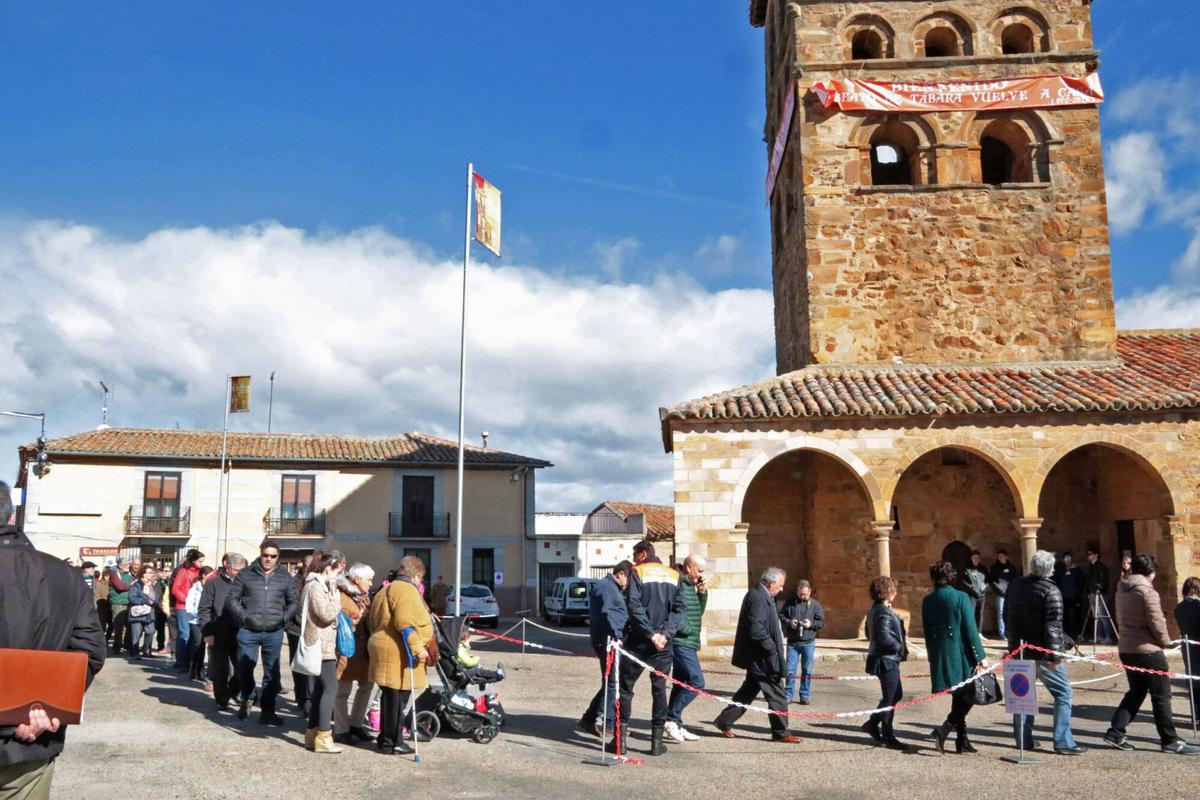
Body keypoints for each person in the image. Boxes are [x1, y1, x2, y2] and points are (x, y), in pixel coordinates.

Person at [0, 482, 106, 798]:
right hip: (30, 744)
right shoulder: (66, 576)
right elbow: (90, 649)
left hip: (30, 739)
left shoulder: (64, 575)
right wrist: (44, 709)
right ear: (9, 517)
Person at [1103, 554, 1199, 755]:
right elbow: (1157, 622)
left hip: (1127, 647)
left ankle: (1115, 731)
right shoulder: (1147, 592)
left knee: (1136, 691)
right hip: (1147, 650)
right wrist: (1165, 641)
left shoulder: (1122, 590)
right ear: (1150, 572)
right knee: (1162, 696)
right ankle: (1169, 739)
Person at [1005, 550, 1085, 755]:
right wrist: (1055, 657)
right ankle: (1062, 741)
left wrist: (1012, 645)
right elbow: (1053, 628)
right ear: (1050, 570)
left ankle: (1024, 739)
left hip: (1020, 649)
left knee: (1023, 696)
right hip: (1040, 652)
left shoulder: (1015, 586)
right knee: (1063, 693)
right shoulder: (1051, 591)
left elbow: (1007, 616)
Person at [713, 567, 799, 744]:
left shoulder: (763, 596)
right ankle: (781, 732)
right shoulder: (758, 597)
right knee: (777, 695)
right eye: (780, 585)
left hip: (760, 658)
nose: (782, 589)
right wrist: (771, 648)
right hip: (763, 658)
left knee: (748, 692)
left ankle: (724, 721)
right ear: (771, 583)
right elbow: (756, 629)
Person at [616, 547, 686, 756]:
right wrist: (664, 635)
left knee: (626, 688)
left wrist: (650, 634)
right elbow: (680, 609)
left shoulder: (637, 572)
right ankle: (656, 743)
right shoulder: (674, 575)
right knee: (659, 689)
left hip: (638, 641)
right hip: (663, 644)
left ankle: (621, 742)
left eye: (635, 554)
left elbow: (633, 605)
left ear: (643, 554)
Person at [226, 539, 299, 726]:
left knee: (272, 673)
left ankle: (268, 711)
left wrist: (283, 619)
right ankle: (249, 696)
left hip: (274, 631)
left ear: (278, 557)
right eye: (265, 555)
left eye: (273, 556)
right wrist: (244, 618)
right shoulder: (245, 574)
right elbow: (232, 600)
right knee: (243, 668)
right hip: (248, 630)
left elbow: (294, 602)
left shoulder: (285, 577)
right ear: (260, 554)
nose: (268, 559)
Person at [368, 555, 434, 756]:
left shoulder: (385, 589)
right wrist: (418, 648)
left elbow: (372, 621)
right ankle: (393, 741)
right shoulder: (405, 590)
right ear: (415, 576)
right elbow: (404, 623)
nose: (420, 582)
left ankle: (385, 738)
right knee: (396, 700)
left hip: (383, 648)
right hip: (397, 653)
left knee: (390, 697)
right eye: (420, 578)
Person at [924, 560, 988, 755]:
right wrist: (981, 656)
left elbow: (927, 632)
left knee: (959, 696)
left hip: (940, 653)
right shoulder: (960, 597)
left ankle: (962, 740)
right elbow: (971, 629)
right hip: (960, 654)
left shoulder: (928, 600)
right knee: (968, 696)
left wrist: (932, 655)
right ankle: (944, 730)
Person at [299, 551, 345, 754]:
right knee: (331, 688)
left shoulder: (315, 585)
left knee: (319, 689)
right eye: (337, 572)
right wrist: (336, 601)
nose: (338, 576)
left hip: (322, 643)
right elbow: (325, 614)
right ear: (328, 569)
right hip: (321, 645)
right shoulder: (315, 586)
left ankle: (312, 732)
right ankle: (324, 736)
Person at [580, 561, 630, 739]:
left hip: (606, 640)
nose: (629, 583)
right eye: (629, 578)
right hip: (607, 641)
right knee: (612, 683)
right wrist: (617, 635)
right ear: (621, 574)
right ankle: (607, 723)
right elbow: (609, 612)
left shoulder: (609, 586)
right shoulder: (608, 588)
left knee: (610, 682)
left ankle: (591, 718)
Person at [665, 554, 708, 742]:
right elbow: (672, 611)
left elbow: (698, 612)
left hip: (690, 641)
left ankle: (676, 723)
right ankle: (672, 719)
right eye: (699, 570)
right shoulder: (678, 583)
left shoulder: (691, 586)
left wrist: (702, 593)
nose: (701, 574)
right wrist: (686, 629)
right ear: (689, 567)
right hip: (682, 642)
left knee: (680, 683)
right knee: (697, 682)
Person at [862, 576, 909, 751]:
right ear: (887, 591)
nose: (895, 593)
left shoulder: (876, 609)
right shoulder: (882, 611)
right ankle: (888, 735)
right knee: (891, 697)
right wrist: (898, 646)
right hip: (886, 659)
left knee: (895, 695)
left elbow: (869, 633)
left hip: (884, 658)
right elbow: (883, 637)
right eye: (893, 589)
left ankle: (873, 723)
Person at [333, 563, 377, 746]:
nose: (372, 583)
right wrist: (353, 620)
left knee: (367, 685)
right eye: (369, 579)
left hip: (363, 649)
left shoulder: (363, 596)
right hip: (346, 649)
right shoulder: (342, 595)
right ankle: (341, 730)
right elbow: (337, 620)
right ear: (357, 580)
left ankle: (356, 724)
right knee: (343, 690)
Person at [199, 553, 247, 710]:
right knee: (220, 669)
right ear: (228, 567)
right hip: (218, 632)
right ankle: (222, 699)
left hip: (241, 632)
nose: (240, 573)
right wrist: (207, 632)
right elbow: (204, 608)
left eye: (243, 570)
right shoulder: (213, 583)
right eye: (237, 570)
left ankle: (233, 691)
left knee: (242, 666)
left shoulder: (246, 583)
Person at [780, 579, 824, 705]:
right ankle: (788, 695)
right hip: (793, 643)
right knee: (790, 670)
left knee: (807, 671)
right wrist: (789, 622)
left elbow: (821, 622)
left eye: (804, 594)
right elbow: (782, 616)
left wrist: (811, 624)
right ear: (797, 592)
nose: (802, 596)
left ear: (809, 592)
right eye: (800, 594)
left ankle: (804, 695)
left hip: (808, 643)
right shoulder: (790, 603)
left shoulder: (816, 605)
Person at [286, 552, 315, 712]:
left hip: (311, 629)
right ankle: (301, 696)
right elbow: (290, 604)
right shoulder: (294, 582)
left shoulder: (316, 583)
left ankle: (309, 699)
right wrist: (290, 623)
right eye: (307, 565)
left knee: (309, 665)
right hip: (295, 629)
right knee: (297, 664)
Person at [170, 549, 205, 672]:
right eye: (200, 561)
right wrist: (188, 601)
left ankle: (190, 661)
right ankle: (181, 662)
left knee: (193, 636)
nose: (202, 563)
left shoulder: (201, 573)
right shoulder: (183, 571)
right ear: (194, 560)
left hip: (195, 608)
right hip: (183, 607)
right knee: (184, 634)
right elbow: (175, 589)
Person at [1173, 577, 1200, 724]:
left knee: (1192, 678)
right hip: (1198, 644)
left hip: (1187, 646)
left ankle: (1196, 714)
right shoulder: (1198, 606)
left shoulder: (1178, 608)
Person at [185, 565, 213, 680]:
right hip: (196, 621)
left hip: (208, 621)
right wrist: (200, 613)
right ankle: (194, 669)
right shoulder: (194, 589)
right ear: (203, 576)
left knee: (209, 647)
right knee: (198, 645)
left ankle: (203, 670)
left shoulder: (211, 588)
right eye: (210, 576)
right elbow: (189, 607)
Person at [127, 565, 160, 660]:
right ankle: (135, 653)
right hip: (138, 613)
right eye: (149, 573)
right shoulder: (137, 585)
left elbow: (156, 598)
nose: (151, 574)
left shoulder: (151, 585)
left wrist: (154, 602)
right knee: (136, 635)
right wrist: (145, 601)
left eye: (152, 573)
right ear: (143, 574)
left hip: (150, 613)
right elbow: (132, 598)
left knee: (151, 631)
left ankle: (145, 650)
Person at [987, 549, 1019, 640]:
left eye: (1002, 556)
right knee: (1000, 613)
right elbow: (991, 580)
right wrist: (998, 589)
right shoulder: (995, 567)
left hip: (1010, 593)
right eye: (999, 556)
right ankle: (1002, 633)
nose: (1000, 558)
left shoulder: (1011, 567)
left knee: (1010, 613)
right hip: (1000, 594)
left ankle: (1010, 632)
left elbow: (1015, 578)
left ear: (1006, 557)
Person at [1084, 547, 1114, 643]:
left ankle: (1108, 636)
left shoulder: (1101, 567)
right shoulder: (1090, 567)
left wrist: (1099, 590)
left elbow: (1104, 581)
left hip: (1100, 594)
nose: (1088, 556)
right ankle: (1099, 636)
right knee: (1096, 616)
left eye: (1090, 554)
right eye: (1088, 554)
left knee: (1103, 615)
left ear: (1096, 555)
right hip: (1092, 594)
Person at [1054, 553, 1086, 639]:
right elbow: (1056, 581)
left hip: (1075, 597)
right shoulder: (1060, 570)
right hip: (1064, 597)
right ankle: (1065, 635)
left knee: (1077, 615)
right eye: (1065, 559)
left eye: (1069, 558)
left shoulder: (1077, 570)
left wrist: (1078, 593)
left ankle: (1079, 634)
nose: (1067, 560)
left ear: (1071, 559)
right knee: (1064, 616)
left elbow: (1081, 582)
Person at [108, 557, 133, 655]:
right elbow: (120, 586)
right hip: (118, 603)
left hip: (129, 603)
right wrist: (132, 586)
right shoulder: (114, 574)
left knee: (129, 626)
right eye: (125, 563)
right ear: (119, 564)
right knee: (118, 627)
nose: (128, 565)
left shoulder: (130, 574)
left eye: (128, 563)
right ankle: (116, 647)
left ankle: (127, 645)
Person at [961, 551, 988, 633]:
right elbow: (963, 580)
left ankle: (979, 632)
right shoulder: (967, 568)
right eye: (974, 558)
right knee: (971, 613)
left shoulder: (983, 568)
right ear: (971, 558)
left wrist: (985, 587)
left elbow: (988, 580)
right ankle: (971, 631)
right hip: (971, 595)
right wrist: (970, 588)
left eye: (977, 558)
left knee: (980, 614)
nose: (976, 560)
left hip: (982, 595)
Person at [96, 566, 113, 641]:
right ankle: (100, 640)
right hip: (102, 607)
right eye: (107, 575)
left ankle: (106, 639)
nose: (108, 577)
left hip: (111, 607)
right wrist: (105, 600)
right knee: (102, 626)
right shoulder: (99, 583)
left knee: (112, 625)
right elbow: (97, 595)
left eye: (109, 575)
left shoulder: (113, 584)